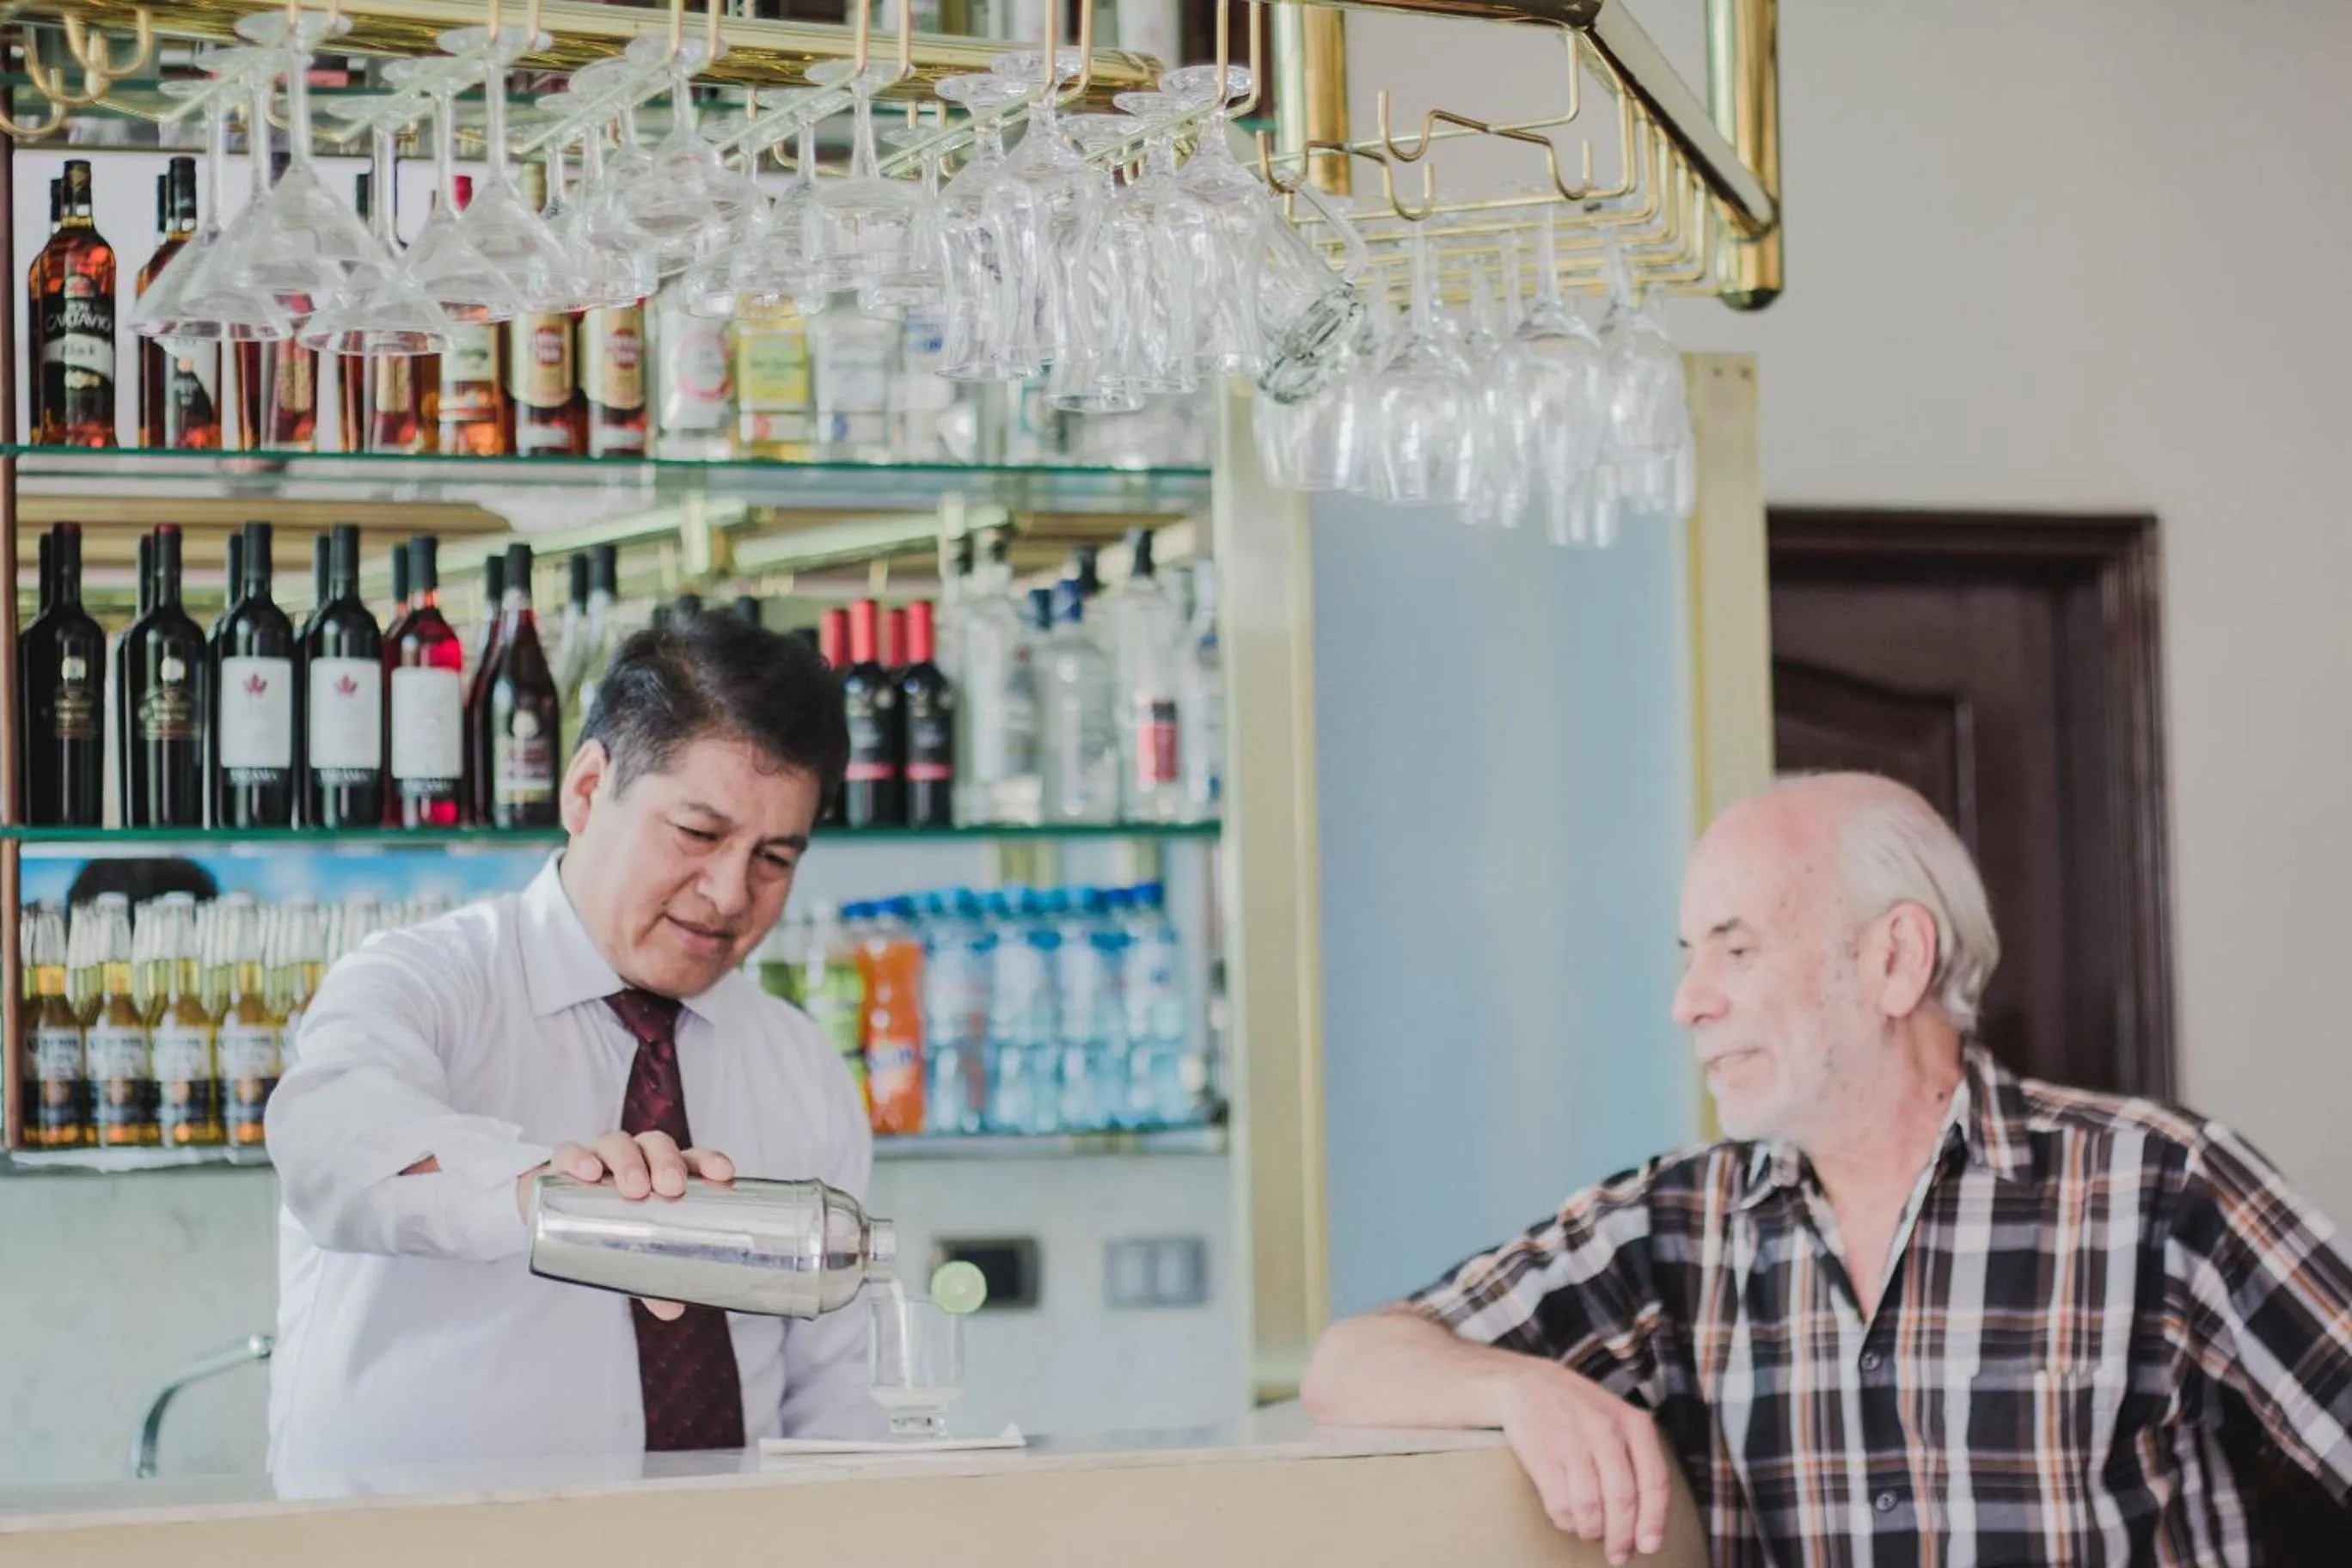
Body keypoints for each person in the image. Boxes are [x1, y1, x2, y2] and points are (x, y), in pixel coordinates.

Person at [1301, 772, 2352, 1565]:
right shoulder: (1674, 1229)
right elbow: (1353, 1363)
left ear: (1895, 959)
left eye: (1737, 947)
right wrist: (1522, 1390)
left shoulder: (2159, 1186)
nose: (1689, 1002)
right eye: (1688, 954)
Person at [266, 615, 880, 1476]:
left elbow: (840, 1401)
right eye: (698, 835)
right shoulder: (424, 982)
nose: (730, 892)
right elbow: (331, 1146)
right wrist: (567, 1203)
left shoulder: (797, 1063)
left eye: (774, 858)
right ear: (587, 790)